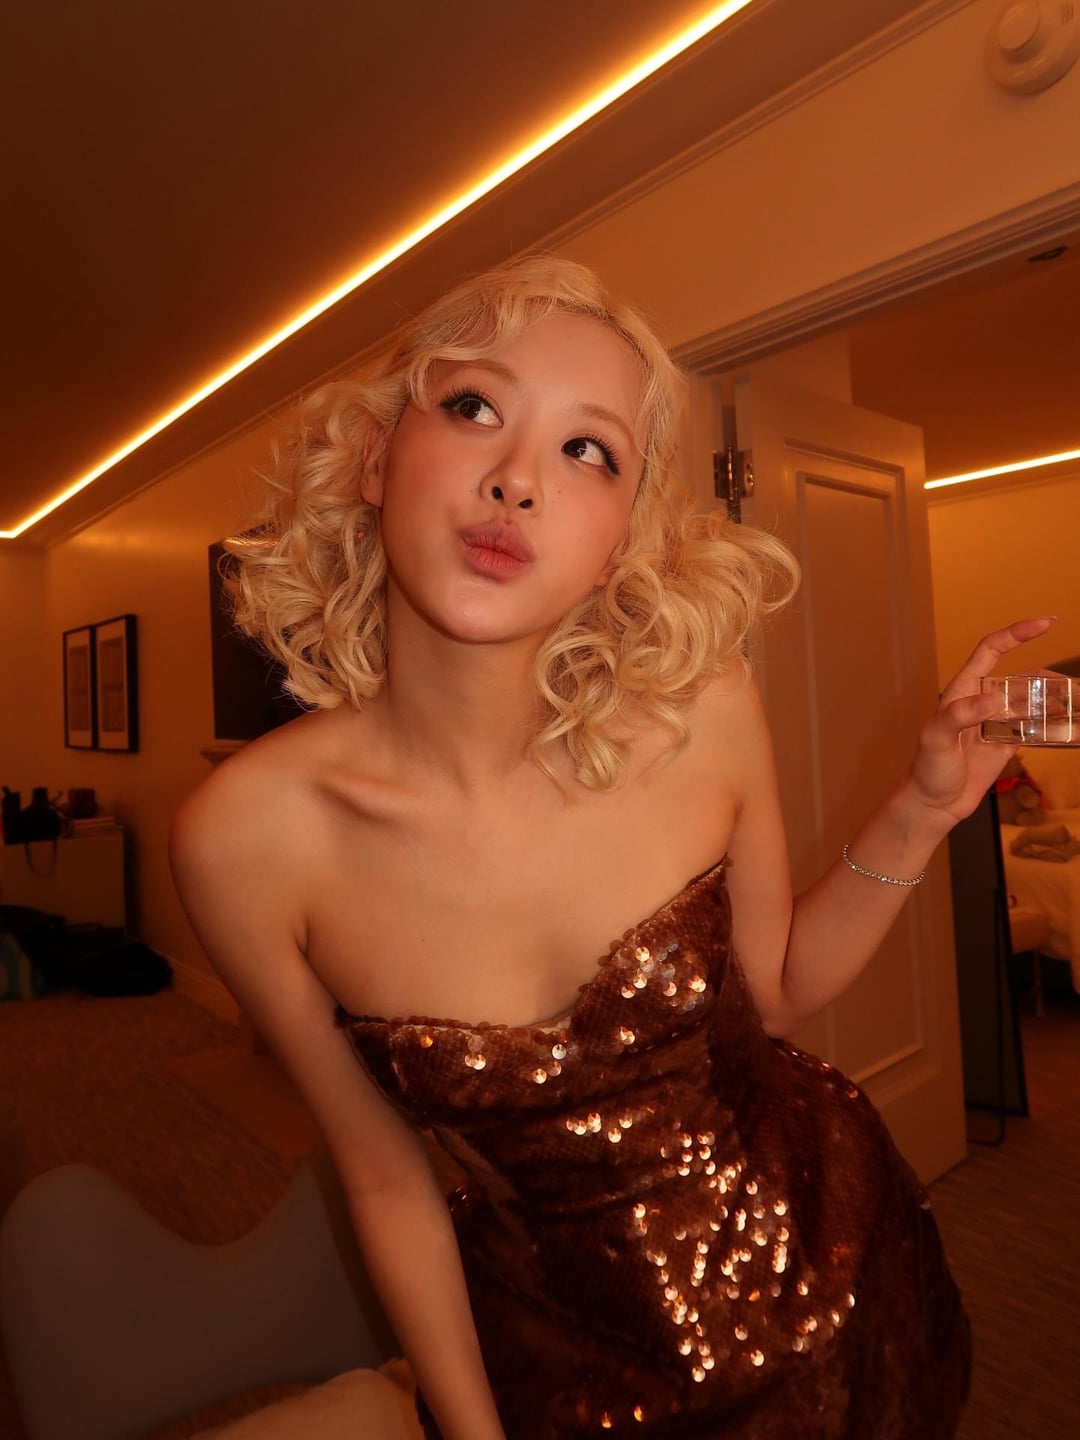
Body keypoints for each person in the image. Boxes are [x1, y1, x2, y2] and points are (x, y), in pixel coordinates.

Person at [169, 254, 1052, 1440]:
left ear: (623, 536)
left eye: (588, 450)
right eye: (473, 406)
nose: (518, 479)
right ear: (377, 460)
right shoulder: (244, 841)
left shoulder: (704, 711)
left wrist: (925, 808)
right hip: (557, 1368)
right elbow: (384, 1175)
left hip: (835, 1286)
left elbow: (778, 992)